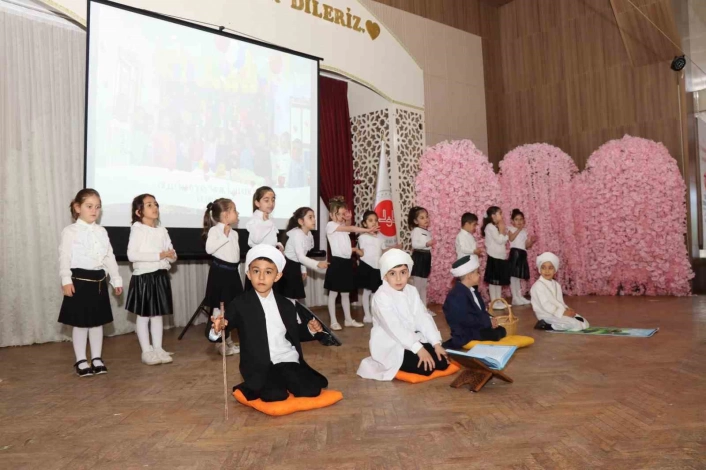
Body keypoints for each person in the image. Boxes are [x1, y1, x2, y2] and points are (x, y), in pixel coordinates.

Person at [210, 245, 329, 402]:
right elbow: (224, 325)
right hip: (259, 365)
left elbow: (294, 333)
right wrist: (217, 328)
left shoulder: (287, 304)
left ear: (277, 276)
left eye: (268, 272)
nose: (261, 277)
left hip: (287, 359)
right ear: (248, 274)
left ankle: (285, 379)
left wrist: (310, 329)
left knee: (311, 390)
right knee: (275, 395)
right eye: (256, 271)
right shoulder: (240, 304)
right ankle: (248, 386)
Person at [357, 249, 449, 381]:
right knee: (426, 368)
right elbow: (394, 328)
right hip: (392, 343)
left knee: (442, 361)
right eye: (392, 273)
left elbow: (423, 317)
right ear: (385, 276)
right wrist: (419, 349)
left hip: (412, 339)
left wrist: (436, 344)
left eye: (403, 272)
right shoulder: (381, 296)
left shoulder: (412, 290)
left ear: (408, 273)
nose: (398, 278)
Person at [58, 189, 123, 377]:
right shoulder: (70, 231)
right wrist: (66, 279)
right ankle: (81, 360)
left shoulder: (102, 231)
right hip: (79, 281)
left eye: (97, 207)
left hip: (99, 281)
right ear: (77, 208)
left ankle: (96, 358)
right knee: (80, 324)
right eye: (89, 206)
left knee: (97, 323)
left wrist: (116, 279)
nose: (94, 210)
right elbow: (64, 257)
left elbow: (109, 257)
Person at [126, 194, 177, 366]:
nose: (154, 207)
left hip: (160, 275)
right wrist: (159, 255)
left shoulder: (162, 230)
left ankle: (158, 348)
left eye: (155, 204)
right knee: (144, 315)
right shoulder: (137, 229)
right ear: (138, 212)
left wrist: (171, 256)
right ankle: (146, 351)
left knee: (157, 314)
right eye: (149, 205)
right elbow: (132, 255)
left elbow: (171, 254)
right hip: (144, 276)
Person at [325, 196, 375, 330]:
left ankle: (348, 319)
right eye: (338, 214)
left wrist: (347, 219)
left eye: (343, 214)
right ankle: (333, 321)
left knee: (345, 293)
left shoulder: (341, 226)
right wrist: (367, 230)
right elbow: (351, 228)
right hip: (337, 262)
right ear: (331, 215)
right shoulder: (330, 226)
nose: (341, 217)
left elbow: (347, 228)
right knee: (333, 293)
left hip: (346, 262)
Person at [203, 198, 242, 356]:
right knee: (219, 309)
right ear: (225, 215)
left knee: (231, 308)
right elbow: (209, 249)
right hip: (220, 274)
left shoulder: (235, 233)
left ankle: (228, 340)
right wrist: (224, 236)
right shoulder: (215, 231)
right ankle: (219, 342)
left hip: (232, 274)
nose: (238, 213)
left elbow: (235, 256)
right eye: (234, 210)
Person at [442, 255, 506, 349]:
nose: (479, 275)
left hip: (477, 326)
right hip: (466, 333)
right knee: (496, 334)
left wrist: (491, 318)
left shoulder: (472, 290)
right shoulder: (456, 295)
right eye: (477, 273)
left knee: (501, 330)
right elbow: (464, 319)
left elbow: (480, 311)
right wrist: (487, 322)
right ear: (469, 276)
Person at [278, 207, 329, 303]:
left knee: (295, 298)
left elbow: (302, 254)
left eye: (314, 217)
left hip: (295, 266)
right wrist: (317, 264)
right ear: (301, 221)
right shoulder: (297, 234)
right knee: (290, 298)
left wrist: (303, 269)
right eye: (310, 217)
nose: (314, 220)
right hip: (288, 267)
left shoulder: (308, 234)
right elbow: (300, 257)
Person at [530, 252, 590, 331]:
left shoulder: (556, 284)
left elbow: (560, 302)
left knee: (585, 323)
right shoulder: (538, 286)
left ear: (555, 270)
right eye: (543, 268)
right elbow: (546, 305)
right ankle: (546, 325)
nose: (547, 271)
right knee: (576, 325)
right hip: (546, 315)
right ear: (540, 270)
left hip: (558, 312)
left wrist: (567, 309)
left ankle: (560, 323)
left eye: (550, 268)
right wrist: (563, 313)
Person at [356, 211, 390, 323]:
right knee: (366, 292)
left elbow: (383, 250)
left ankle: (374, 313)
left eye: (376, 220)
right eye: (370, 220)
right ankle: (367, 315)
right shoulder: (363, 237)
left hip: (377, 267)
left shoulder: (380, 237)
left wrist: (394, 247)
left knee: (375, 293)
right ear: (364, 224)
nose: (374, 222)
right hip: (366, 266)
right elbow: (362, 252)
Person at [482, 206, 512, 310]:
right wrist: (505, 233)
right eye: (500, 213)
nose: (502, 215)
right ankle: (493, 302)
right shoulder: (490, 227)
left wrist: (502, 231)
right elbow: (499, 240)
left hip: (500, 256)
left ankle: (498, 301)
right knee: (493, 281)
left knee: (498, 281)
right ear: (493, 215)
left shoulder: (495, 226)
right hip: (493, 256)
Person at [408, 206, 435, 315]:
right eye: (422, 217)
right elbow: (414, 244)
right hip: (419, 257)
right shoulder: (416, 230)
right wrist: (426, 244)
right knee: (417, 286)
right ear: (415, 221)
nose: (426, 219)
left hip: (426, 258)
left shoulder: (427, 232)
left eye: (426, 217)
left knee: (423, 286)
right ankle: (415, 310)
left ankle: (424, 309)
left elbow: (428, 249)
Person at [508, 209, 535, 306]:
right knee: (513, 276)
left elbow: (526, 246)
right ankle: (515, 297)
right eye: (516, 219)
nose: (519, 221)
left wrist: (531, 241)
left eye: (521, 219)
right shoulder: (511, 229)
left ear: (524, 220)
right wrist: (518, 230)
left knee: (518, 276)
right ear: (512, 221)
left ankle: (519, 296)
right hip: (515, 253)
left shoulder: (524, 231)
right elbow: (511, 238)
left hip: (522, 253)